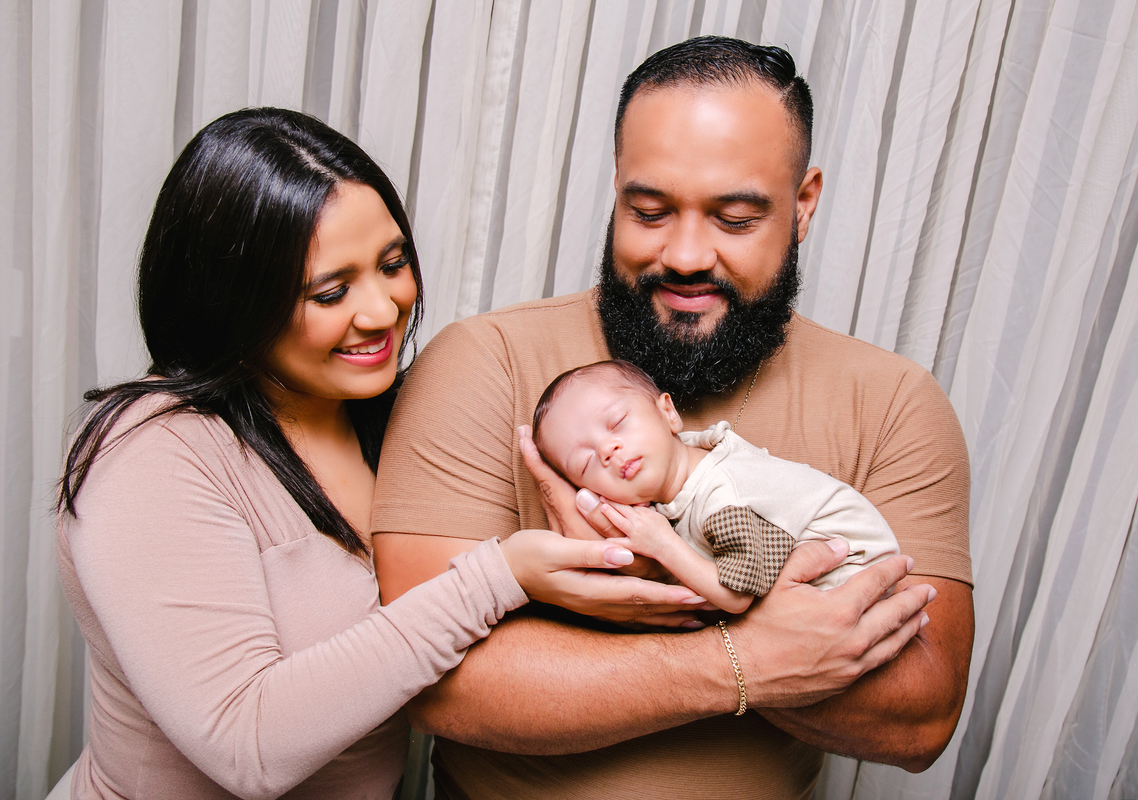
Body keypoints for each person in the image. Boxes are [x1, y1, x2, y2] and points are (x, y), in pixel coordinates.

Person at [372, 36, 973, 800]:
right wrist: (747, 655)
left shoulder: (894, 404)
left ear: (803, 204)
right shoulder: (483, 361)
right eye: (650, 210)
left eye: (735, 218)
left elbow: (921, 717)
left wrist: (670, 581)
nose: (686, 254)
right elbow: (426, 679)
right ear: (616, 186)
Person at [54, 107, 685, 800]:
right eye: (331, 292)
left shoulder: (391, 414)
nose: (383, 311)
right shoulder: (152, 451)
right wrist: (499, 578)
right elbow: (246, 744)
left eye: (393, 264)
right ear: (231, 301)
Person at [531, 359, 900, 612]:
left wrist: (663, 545)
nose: (607, 450)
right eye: (585, 463)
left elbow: (737, 596)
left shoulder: (723, 496)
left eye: (617, 422)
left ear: (668, 412)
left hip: (855, 571)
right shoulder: (688, 466)